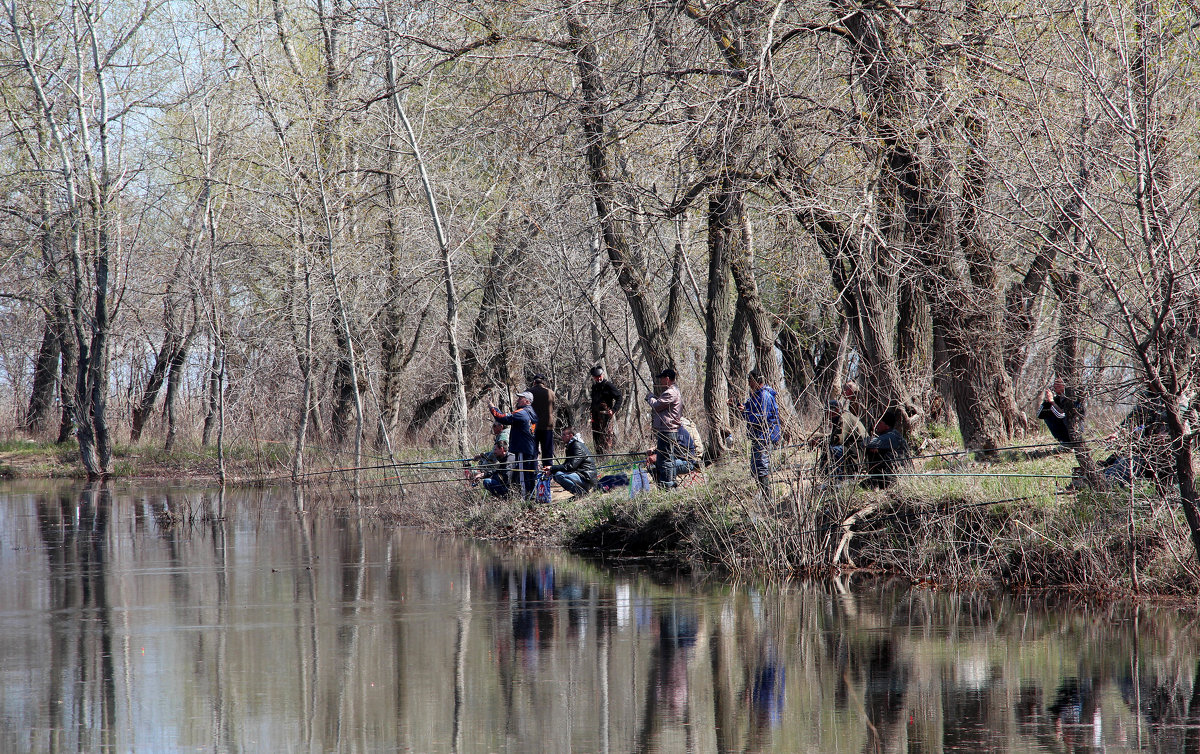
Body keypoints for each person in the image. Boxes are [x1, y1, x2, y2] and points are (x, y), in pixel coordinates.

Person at [731, 369, 782, 499]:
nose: (748, 382)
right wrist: (738, 406)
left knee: (762, 467)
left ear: (756, 380)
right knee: (755, 468)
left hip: (765, 436)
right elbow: (748, 412)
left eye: (750, 380)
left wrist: (746, 412)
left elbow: (761, 418)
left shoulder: (764, 395)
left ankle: (768, 498)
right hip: (757, 436)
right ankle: (762, 494)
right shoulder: (754, 396)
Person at [490, 391, 539, 498]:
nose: (517, 400)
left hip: (522, 449)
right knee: (530, 474)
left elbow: (503, 418)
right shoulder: (533, 413)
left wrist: (493, 408)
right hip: (531, 449)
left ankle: (525, 498)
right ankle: (532, 496)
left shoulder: (521, 413)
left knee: (523, 475)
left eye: (520, 398)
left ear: (527, 401)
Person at [811, 398, 868, 479]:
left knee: (834, 450)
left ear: (836, 409)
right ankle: (825, 477)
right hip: (851, 449)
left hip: (858, 452)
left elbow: (838, 440)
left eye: (828, 410)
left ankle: (838, 479)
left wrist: (820, 442)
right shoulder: (838, 418)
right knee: (827, 448)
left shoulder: (844, 418)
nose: (826, 413)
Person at [645, 367, 683, 488]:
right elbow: (662, 405)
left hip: (667, 430)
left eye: (662, 378)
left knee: (664, 460)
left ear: (667, 379)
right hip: (668, 430)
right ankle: (671, 483)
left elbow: (657, 405)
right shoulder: (673, 391)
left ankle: (667, 485)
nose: (660, 381)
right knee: (668, 459)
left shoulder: (671, 392)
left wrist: (650, 397)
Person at [863, 406, 912, 489]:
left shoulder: (891, 436)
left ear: (886, 425)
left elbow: (868, 443)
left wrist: (872, 445)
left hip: (898, 478)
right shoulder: (889, 434)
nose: (876, 424)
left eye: (880, 422)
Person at [544, 427, 597, 496]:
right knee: (556, 474)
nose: (561, 437)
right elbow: (566, 465)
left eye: (563, 435)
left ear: (571, 436)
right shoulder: (571, 446)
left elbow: (571, 466)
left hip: (587, 478)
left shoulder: (577, 446)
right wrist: (551, 470)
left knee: (559, 475)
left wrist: (552, 468)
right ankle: (580, 493)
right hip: (581, 476)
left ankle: (581, 494)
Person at [1038, 377, 1084, 446]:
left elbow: (1062, 415)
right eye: (1055, 384)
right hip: (1063, 433)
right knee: (1048, 416)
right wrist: (1047, 403)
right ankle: (1064, 442)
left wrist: (1052, 402)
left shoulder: (1073, 399)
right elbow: (1040, 415)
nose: (1055, 386)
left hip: (1075, 432)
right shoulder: (1057, 399)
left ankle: (1071, 443)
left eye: (1058, 384)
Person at [589, 366, 623, 454]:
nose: (598, 378)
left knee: (606, 439)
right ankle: (599, 458)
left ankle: (607, 458)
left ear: (602, 374)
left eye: (599, 376)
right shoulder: (594, 387)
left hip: (605, 417)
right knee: (596, 438)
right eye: (596, 376)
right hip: (595, 417)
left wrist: (613, 410)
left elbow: (619, 397)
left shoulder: (608, 385)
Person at [528, 374, 556, 464]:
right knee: (547, 451)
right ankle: (547, 473)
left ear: (534, 382)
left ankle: (533, 471)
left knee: (533, 451)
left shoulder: (529, 392)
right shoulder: (551, 392)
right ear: (544, 382)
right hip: (547, 426)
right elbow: (553, 407)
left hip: (533, 426)